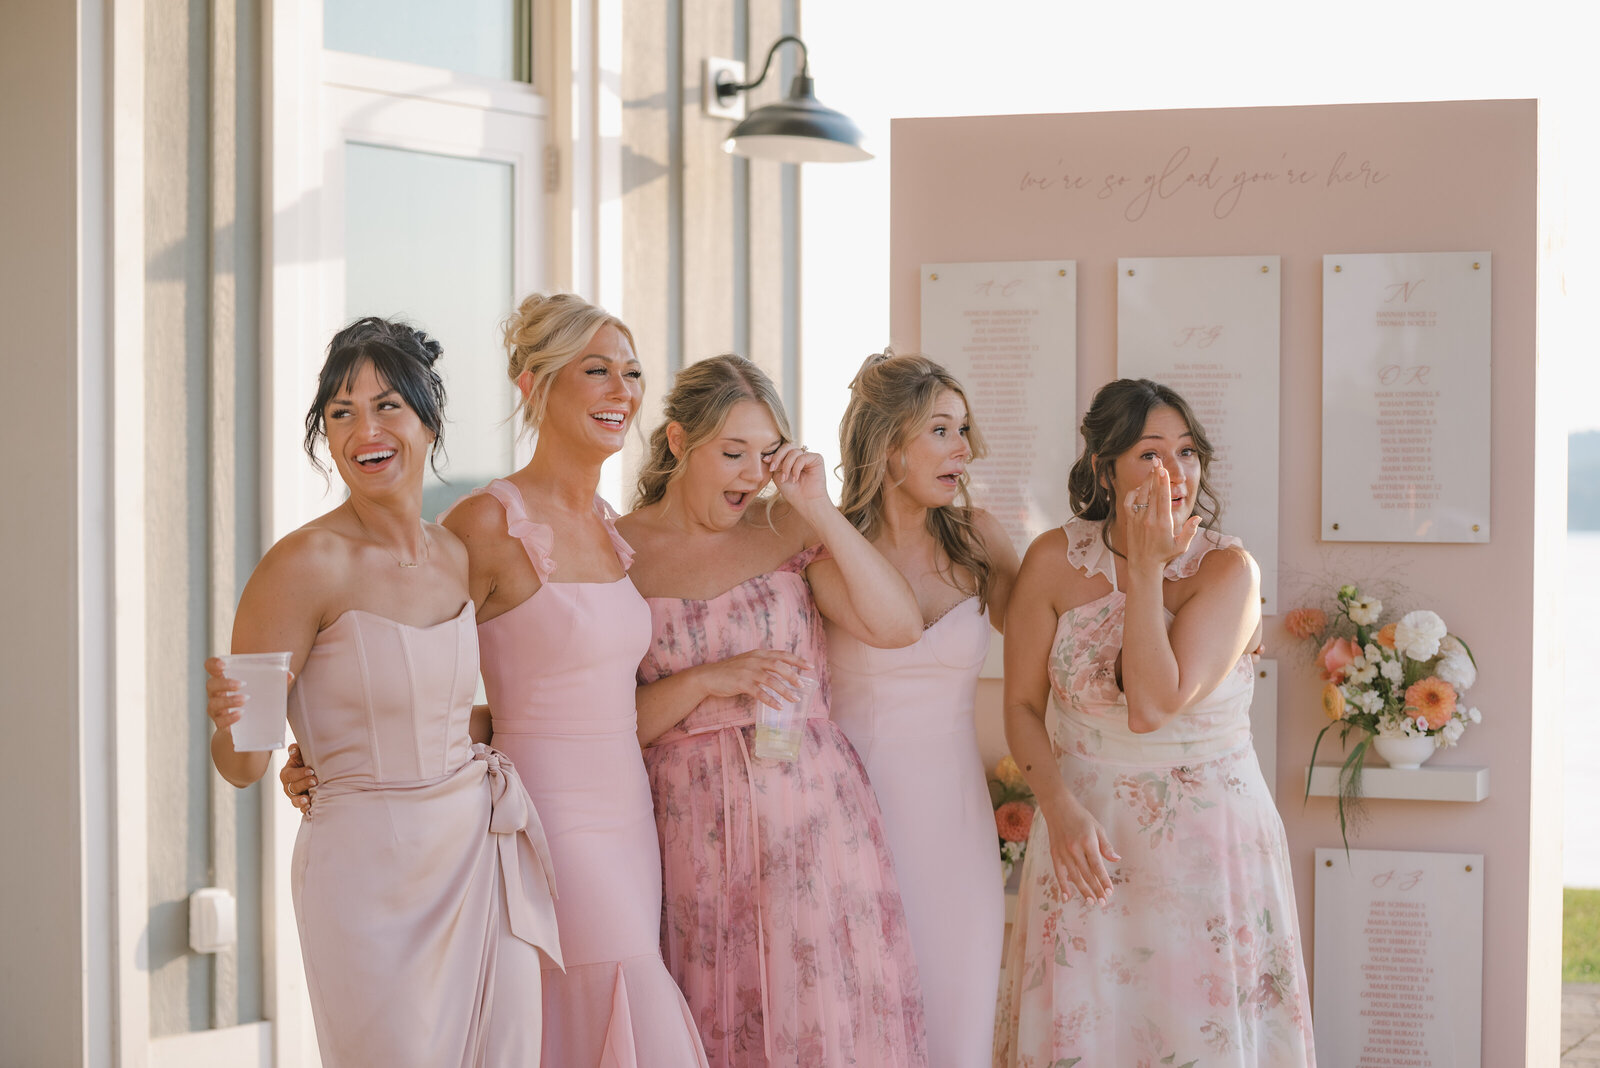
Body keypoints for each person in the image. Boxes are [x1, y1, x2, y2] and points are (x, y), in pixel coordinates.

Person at [283, 295, 709, 1067]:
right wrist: (319, 746)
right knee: (602, 987)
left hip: (629, 811)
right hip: (541, 814)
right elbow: (408, 655)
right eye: (597, 371)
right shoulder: (485, 523)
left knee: (596, 992)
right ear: (533, 385)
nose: (622, 389)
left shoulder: (612, 525)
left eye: (633, 373)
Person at [205, 317, 560, 1067]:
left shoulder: (457, 554)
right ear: (327, 437)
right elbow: (243, 765)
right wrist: (236, 730)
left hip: (475, 856)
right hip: (366, 882)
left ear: (428, 419)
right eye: (341, 412)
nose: (364, 427)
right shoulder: (301, 565)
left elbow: (442, 709)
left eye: (386, 405)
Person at [992, 378, 1314, 1065]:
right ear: (1105, 469)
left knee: (1198, 1031)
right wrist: (1056, 805)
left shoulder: (1227, 570)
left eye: (1188, 452)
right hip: (1085, 828)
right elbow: (1019, 705)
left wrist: (1143, 572)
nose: (1176, 472)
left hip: (1206, 840)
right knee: (1091, 1028)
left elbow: (1152, 705)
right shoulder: (1052, 560)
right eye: (1150, 453)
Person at [619, 354, 930, 1067]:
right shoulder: (619, 551)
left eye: (766, 454)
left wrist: (816, 507)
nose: (750, 475)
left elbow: (896, 626)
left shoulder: (788, 529)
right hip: (684, 824)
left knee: (820, 1011)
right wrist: (708, 680)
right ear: (676, 442)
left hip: (812, 813)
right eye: (732, 454)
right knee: (708, 1010)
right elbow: (609, 724)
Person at [827, 351, 1020, 1068]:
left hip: (956, 820)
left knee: (959, 1015)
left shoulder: (981, 540)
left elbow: (1055, 649)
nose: (963, 449)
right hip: (853, 814)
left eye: (963, 429)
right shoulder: (824, 546)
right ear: (888, 443)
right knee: (859, 1016)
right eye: (941, 430)